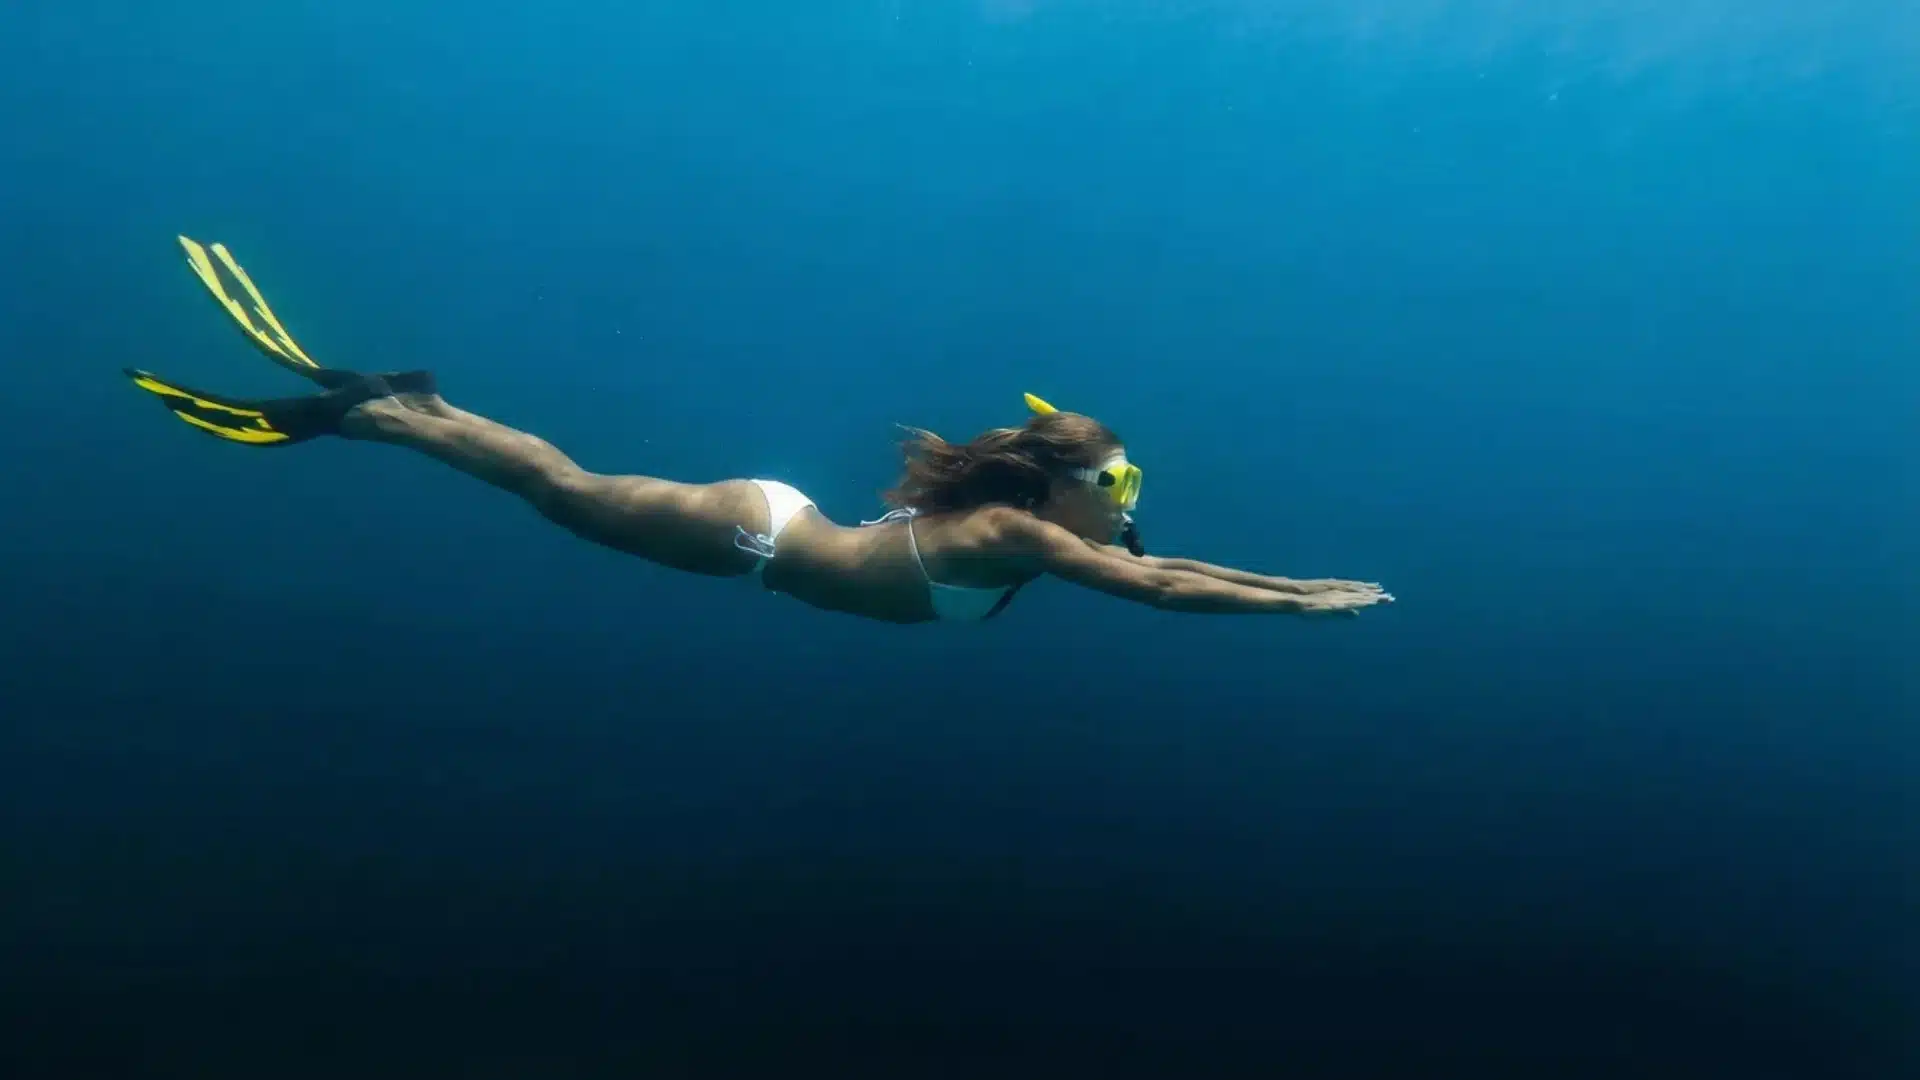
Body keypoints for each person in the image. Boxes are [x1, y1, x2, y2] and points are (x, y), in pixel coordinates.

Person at [127, 236, 1394, 625]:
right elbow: (1161, 585)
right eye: (1117, 479)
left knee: (563, 483)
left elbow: (1156, 557)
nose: (1129, 497)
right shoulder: (1021, 527)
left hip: (774, 517)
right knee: (557, 490)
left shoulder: (1041, 524)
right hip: (752, 538)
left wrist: (1289, 578)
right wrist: (1301, 601)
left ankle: (417, 405)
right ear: (1063, 490)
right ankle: (377, 415)